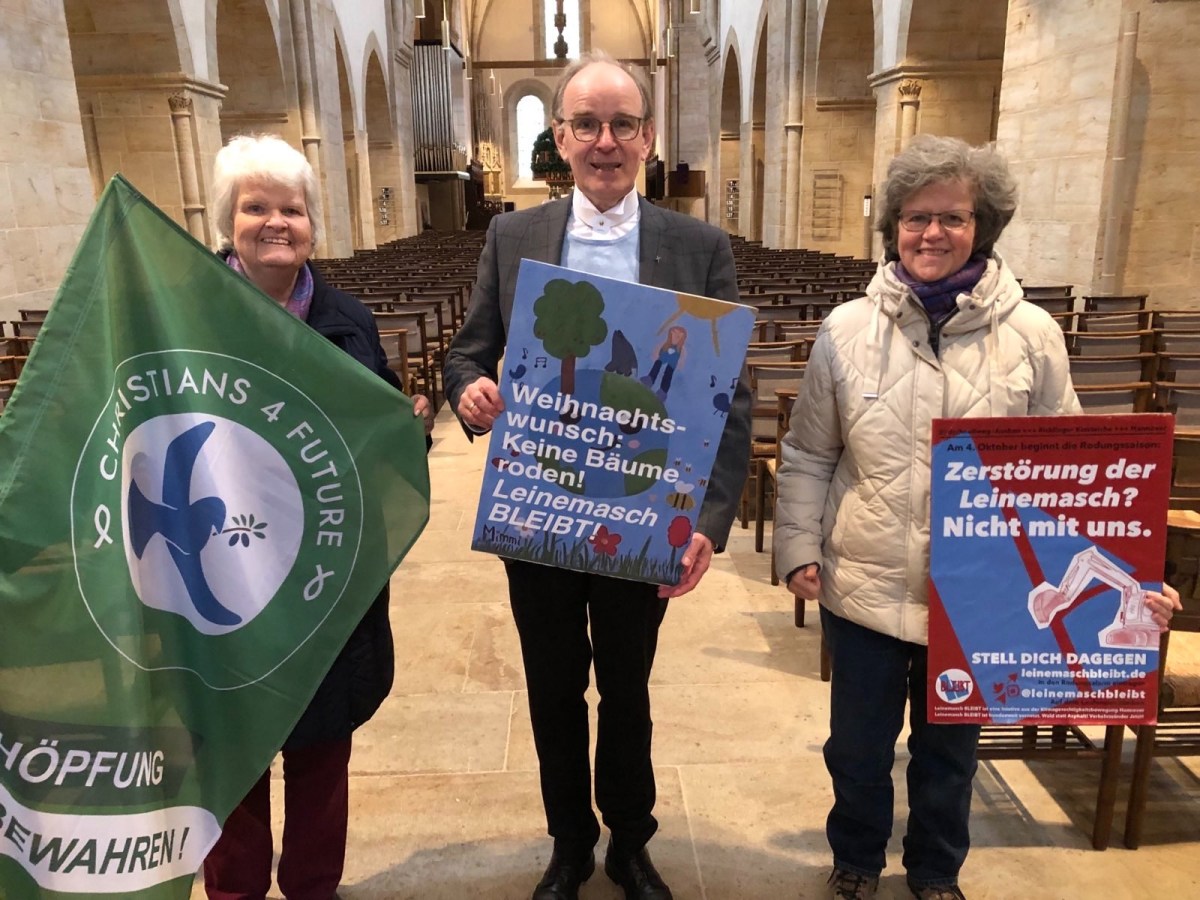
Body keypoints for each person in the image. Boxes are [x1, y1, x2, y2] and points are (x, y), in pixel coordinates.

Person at [771, 134, 1182, 900]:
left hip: (976, 601)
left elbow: (1073, 479)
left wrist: (1137, 580)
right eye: (916, 217)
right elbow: (809, 453)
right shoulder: (845, 330)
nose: (932, 233)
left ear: (981, 226)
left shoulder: (1032, 336)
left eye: (952, 218)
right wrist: (796, 546)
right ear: (893, 226)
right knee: (856, 750)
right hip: (863, 584)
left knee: (950, 757)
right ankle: (856, 861)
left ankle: (936, 871)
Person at [443, 50, 750, 900]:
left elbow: (729, 393)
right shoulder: (513, 236)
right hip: (539, 505)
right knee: (552, 689)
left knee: (626, 687)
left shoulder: (699, 245)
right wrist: (468, 389)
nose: (605, 141)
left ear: (648, 136)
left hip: (641, 511)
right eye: (587, 124)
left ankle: (631, 839)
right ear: (560, 136)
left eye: (622, 124)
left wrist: (708, 522)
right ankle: (569, 842)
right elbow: (469, 349)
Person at [201, 134, 434, 900]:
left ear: (311, 223)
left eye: (292, 209)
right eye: (256, 207)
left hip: (322, 577)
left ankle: (311, 887)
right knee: (228, 758)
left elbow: (380, 427)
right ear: (227, 219)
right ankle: (235, 891)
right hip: (216, 576)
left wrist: (408, 425)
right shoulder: (184, 315)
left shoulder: (348, 318)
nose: (276, 222)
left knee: (321, 754)